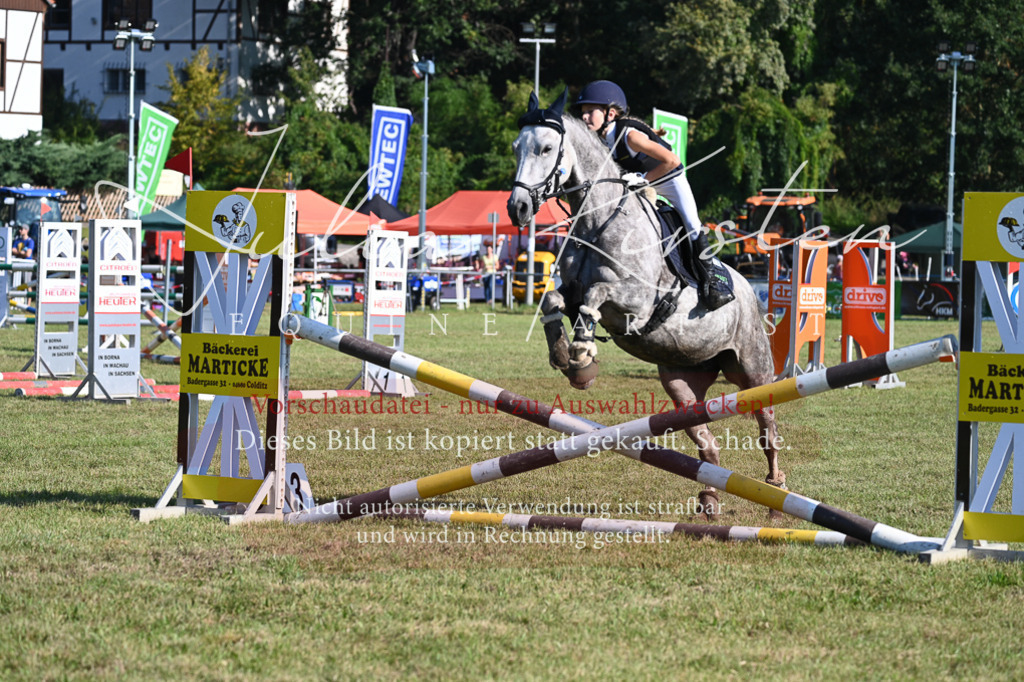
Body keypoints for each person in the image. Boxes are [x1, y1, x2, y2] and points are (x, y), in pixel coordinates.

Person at [575, 80, 734, 310]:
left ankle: (715, 281)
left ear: (610, 113)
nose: (585, 118)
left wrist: (643, 179)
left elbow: (672, 161)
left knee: (692, 224)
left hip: (670, 179)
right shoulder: (601, 139)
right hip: (641, 182)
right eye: (583, 113)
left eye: (590, 112)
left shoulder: (630, 137)